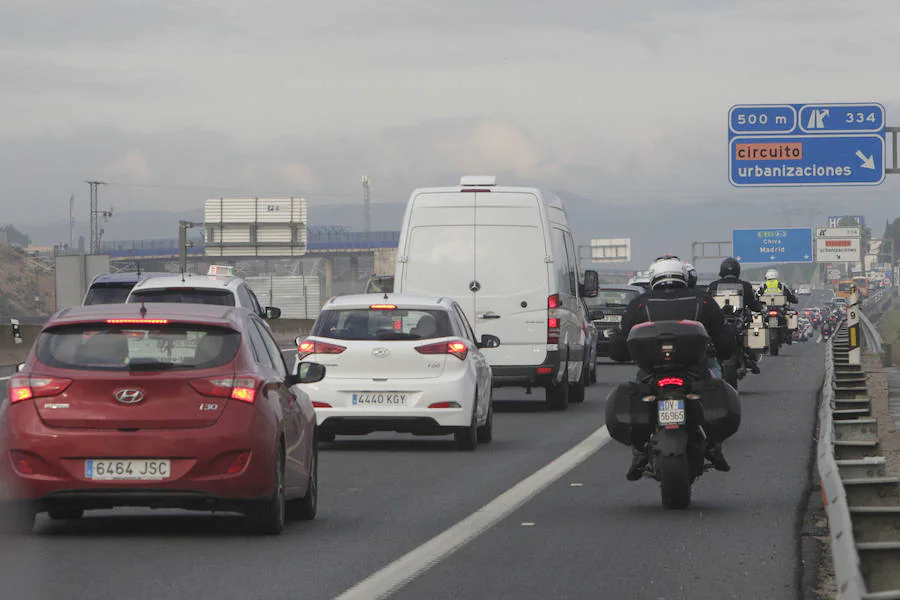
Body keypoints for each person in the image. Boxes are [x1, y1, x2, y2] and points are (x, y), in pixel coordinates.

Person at [610, 257, 736, 480]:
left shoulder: (640, 304)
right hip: (695, 371)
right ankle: (714, 445)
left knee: (637, 395)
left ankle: (639, 450)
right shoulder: (703, 301)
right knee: (717, 390)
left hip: (651, 374)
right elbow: (726, 342)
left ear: (653, 279)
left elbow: (618, 349)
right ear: (684, 277)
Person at [708, 257, 763, 374]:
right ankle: (748, 357)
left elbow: (708, 305)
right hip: (737, 322)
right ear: (738, 271)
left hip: (720, 322)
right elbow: (754, 305)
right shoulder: (745, 286)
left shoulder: (713, 286)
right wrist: (759, 307)